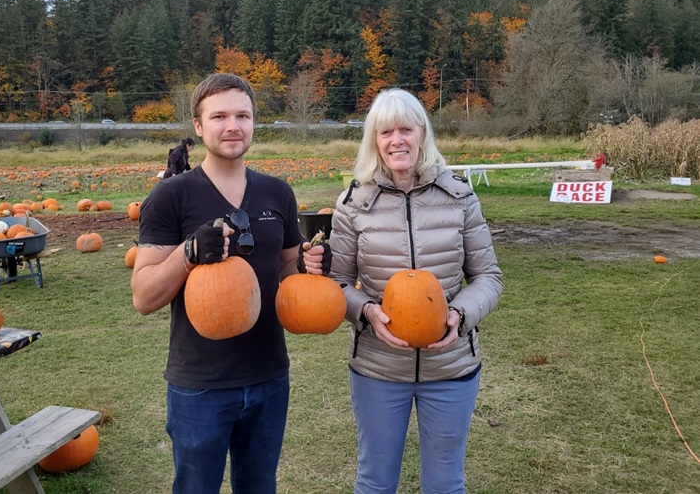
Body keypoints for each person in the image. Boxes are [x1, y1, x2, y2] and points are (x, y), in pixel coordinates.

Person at [303, 88, 503, 494]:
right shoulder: (353, 203)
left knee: (446, 484)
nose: (397, 140)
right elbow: (338, 281)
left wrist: (459, 316)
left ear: (423, 134)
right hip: (378, 369)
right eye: (385, 132)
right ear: (374, 141)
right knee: (375, 482)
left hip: (451, 368)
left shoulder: (459, 197)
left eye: (406, 130)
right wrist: (366, 312)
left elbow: (488, 277)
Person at [131, 73, 304, 494]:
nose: (233, 126)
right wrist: (187, 254)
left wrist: (314, 269)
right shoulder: (171, 197)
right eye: (220, 116)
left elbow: (288, 272)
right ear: (198, 125)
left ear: (253, 122)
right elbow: (144, 296)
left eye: (242, 116)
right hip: (199, 384)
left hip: (268, 375)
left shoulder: (277, 193)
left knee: (260, 486)